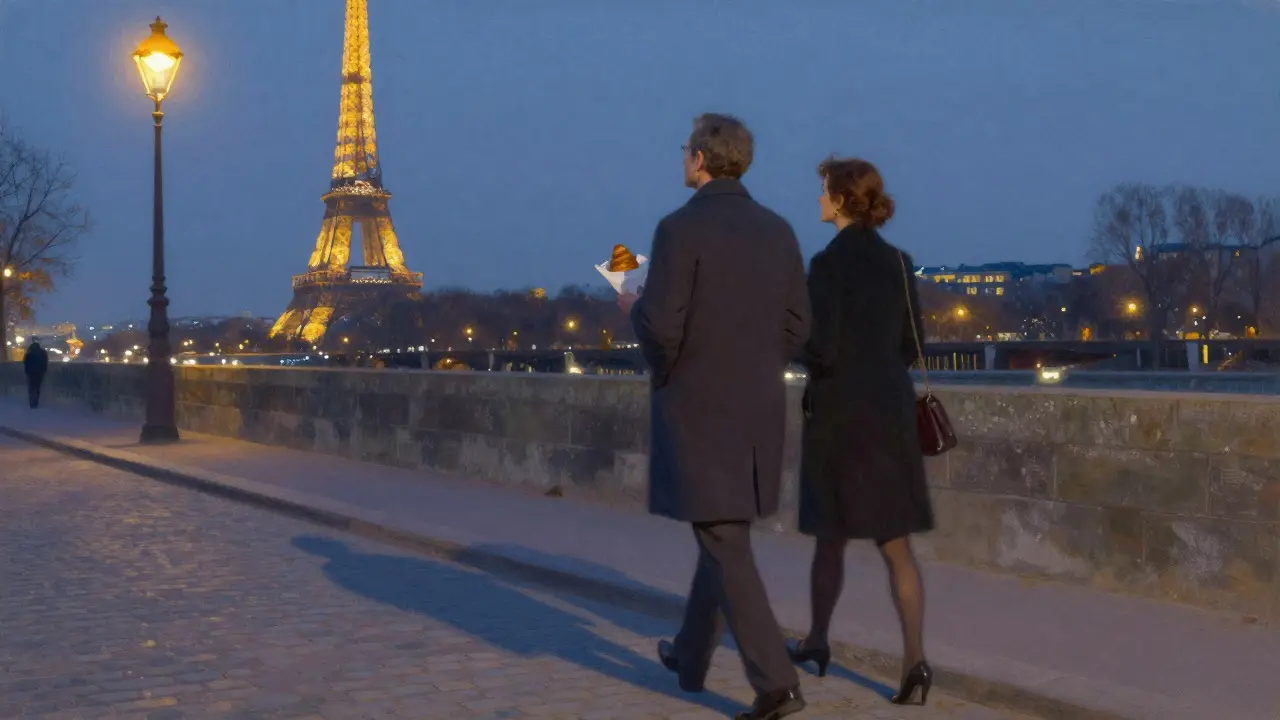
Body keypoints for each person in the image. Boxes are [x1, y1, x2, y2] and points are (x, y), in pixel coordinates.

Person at [618, 113, 811, 720]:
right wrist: (753, 361)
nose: (682, 159)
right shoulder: (778, 230)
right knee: (721, 530)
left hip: (700, 406)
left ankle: (776, 684)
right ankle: (691, 656)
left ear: (700, 159)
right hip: (757, 404)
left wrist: (631, 304)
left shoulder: (679, 229)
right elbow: (799, 326)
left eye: (684, 151)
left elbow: (662, 326)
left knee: (723, 538)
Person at [787, 156, 935, 705]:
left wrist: (792, 344)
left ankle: (818, 642)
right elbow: (911, 342)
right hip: (889, 411)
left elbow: (821, 346)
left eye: (824, 190)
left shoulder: (827, 264)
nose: (818, 199)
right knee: (897, 548)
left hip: (841, 413)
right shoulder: (899, 262)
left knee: (831, 537)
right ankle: (915, 664)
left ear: (843, 199)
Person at [23, 337, 49, 409]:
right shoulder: (43, 353)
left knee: (31, 387)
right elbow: (45, 362)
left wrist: (27, 371)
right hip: (39, 373)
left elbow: (25, 362)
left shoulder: (29, 353)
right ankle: (36, 401)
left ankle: (32, 402)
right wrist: (44, 370)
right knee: (37, 387)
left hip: (31, 373)